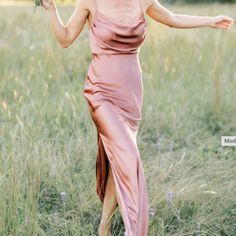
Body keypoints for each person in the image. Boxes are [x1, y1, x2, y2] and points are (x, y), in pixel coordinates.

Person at [40, 0, 234, 235]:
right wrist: (51, 10)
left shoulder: (143, 1)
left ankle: (104, 226)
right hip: (101, 93)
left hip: (131, 95)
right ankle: (136, 230)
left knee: (118, 159)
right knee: (129, 157)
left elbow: (172, 19)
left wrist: (209, 21)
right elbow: (65, 39)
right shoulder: (89, 2)